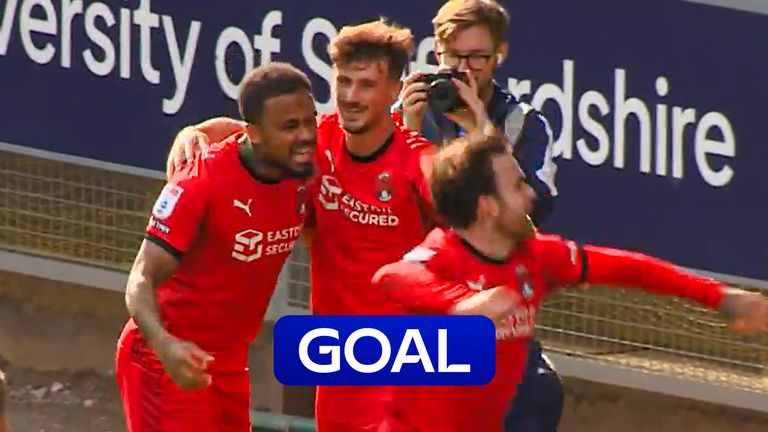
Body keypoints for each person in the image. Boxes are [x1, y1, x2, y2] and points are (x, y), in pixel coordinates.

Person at [371, 133, 768, 432]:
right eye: (517, 186)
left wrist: (720, 297)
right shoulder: (444, 253)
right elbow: (393, 276)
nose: (531, 194)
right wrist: (462, 303)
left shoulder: (535, 256)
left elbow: (633, 269)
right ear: (486, 207)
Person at [166, 19, 442, 432]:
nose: (350, 96)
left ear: (394, 91)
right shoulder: (318, 142)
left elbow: (481, 221)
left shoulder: (420, 162)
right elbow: (248, 134)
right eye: (343, 81)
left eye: (366, 85)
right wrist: (194, 131)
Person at [115, 62, 317, 432]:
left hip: (227, 360)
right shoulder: (201, 181)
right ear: (254, 133)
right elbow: (141, 278)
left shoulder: (302, 169)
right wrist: (164, 345)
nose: (305, 135)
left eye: (310, 121)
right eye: (290, 127)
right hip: (168, 357)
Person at [397, 1, 563, 429]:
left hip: (493, 303)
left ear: (500, 55)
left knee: (539, 394)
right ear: (437, 53)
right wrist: (407, 132)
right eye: (454, 58)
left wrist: (480, 132)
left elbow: (531, 215)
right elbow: (387, 206)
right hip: (424, 303)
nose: (465, 70)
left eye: (478, 58)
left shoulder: (523, 123)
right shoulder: (413, 110)